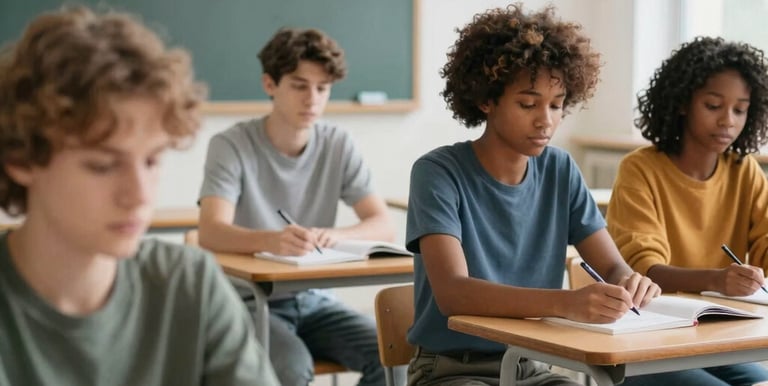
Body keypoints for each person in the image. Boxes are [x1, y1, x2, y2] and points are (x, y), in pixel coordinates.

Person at [0, 5, 279, 386]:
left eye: (151, 160)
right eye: (103, 165)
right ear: (21, 159)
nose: (140, 196)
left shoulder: (189, 283)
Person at [405, 4, 662, 385]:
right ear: (486, 99)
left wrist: (629, 280)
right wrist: (566, 302)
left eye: (556, 105)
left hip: (531, 366)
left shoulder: (560, 170)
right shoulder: (438, 172)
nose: (546, 120)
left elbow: (611, 267)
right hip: (452, 369)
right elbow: (453, 294)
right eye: (528, 104)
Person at [198, 27, 396, 386]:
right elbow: (210, 231)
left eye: (323, 89)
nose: (312, 100)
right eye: (300, 86)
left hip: (316, 300)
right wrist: (272, 241)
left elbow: (382, 223)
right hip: (248, 301)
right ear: (270, 84)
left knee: (393, 356)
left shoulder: (338, 143)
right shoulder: (230, 145)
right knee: (291, 368)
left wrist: (333, 236)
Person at [607, 36, 768, 385]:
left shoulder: (745, 171)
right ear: (682, 103)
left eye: (740, 110)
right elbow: (644, 269)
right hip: (645, 337)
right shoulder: (640, 170)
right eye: (713, 105)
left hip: (715, 335)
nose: (728, 120)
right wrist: (716, 280)